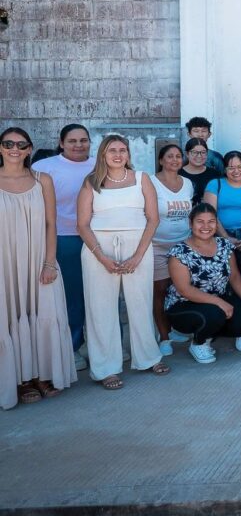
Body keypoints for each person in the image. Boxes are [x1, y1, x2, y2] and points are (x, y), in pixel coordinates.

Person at [76, 135, 168, 388]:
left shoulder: (142, 178)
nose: (118, 155)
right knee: (100, 308)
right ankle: (106, 369)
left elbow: (153, 219)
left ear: (128, 154)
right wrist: (101, 257)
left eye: (122, 150)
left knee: (141, 303)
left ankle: (148, 358)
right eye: (112, 150)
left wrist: (138, 255)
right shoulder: (91, 181)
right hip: (99, 248)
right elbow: (82, 224)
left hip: (138, 245)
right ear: (103, 154)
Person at [0, 128, 75, 409]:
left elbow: (51, 224)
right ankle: (20, 380)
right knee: (10, 317)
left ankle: (43, 374)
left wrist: (49, 262)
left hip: (39, 258)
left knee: (43, 313)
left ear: (30, 149)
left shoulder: (42, 180)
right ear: (0, 148)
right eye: (8, 143)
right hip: (5, 262)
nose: (14, 148)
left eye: (21, 144)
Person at [31, 123, 94, 365]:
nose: (78, 145)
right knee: (73, 296)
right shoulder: (44, 168)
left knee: (102, 294)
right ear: (61, 143)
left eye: (83, 140)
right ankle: (73, 347)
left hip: (98, 237)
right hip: (64, 238)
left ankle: (106, 345)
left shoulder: (100, 164)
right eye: (72, 141)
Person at [164, 204, 241, 364]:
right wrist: (219, 302)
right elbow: (185, 289)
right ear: (190, 223)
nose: (206, 226)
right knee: (216, 313)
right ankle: (199, 342)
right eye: (200, 221)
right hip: (183, 305)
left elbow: (235, 277)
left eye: (211, 221)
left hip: (216, 300)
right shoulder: (179, 252)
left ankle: (213, 333)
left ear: (216, 224)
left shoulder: (224, 245)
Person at [150, 144, 194, 356]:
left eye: (178, 156)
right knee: (159, 290)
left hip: (182, 245)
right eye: (170, 156)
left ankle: (176, 328)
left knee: (180, 290)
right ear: (161, 160)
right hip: (157, 244)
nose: (175, 160)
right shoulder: (150, 182)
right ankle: (164, 336)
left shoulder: (188, 183)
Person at [204, 152, 241, 246]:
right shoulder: (215, 184)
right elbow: (210, 214)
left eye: (240, 167)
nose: (236, 171)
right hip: (219, 233)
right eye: (231, 168)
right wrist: (226, 237)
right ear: (225, 169)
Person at [180, 138, 220, 205]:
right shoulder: (178, 174)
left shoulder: (215, 175)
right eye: (194, 152)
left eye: (203, 152)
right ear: (187, 154)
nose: (199, 156)